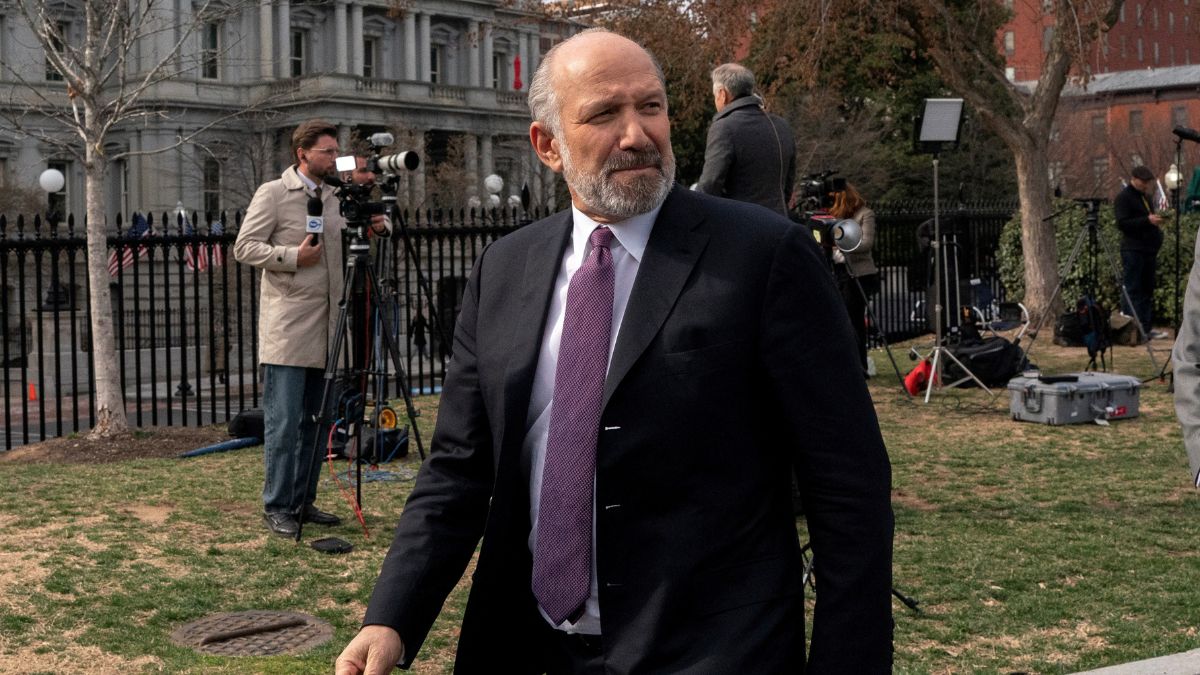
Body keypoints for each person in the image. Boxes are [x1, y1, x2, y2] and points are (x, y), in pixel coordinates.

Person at [336, 29, 893, 674]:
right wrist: (391, 617)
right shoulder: (505, 269)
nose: (637, 134)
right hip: (526, 645)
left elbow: (848, 483)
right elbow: (458, 470)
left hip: (710, 650)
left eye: (650, 107)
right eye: (604, 114)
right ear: (547, 145)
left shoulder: (764, 256)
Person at [233, 120, 386, 537]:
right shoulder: (275, 193)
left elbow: (354, 235)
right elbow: (244, 247)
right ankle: (278, 505)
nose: (334, 158)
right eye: (327, 151)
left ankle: (304, 501)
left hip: (331, 328)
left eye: (336, 151)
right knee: (284, 423)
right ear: (303, 154)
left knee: (318, 423)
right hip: (289, 328)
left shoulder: (337, 197)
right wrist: (291, 256)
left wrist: (376, 224)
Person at [695, 62, 797, 217]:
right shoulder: (782, 125)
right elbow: (788, 186)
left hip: (740, 226)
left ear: (723, 94)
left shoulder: (724, 127)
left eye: (715, 95)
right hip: (779, 224)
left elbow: (711, 184)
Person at [828, 183, 879, 375]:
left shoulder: (865, 214)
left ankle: (860, 363)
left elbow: (866, 243)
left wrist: (843, 245)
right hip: (839, 272)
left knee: (854, 318)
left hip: (859, 273)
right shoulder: (835, 217)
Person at [1114, 165, 1168, 340]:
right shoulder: (1124, 198)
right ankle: (1131, 329)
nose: (1145, 185)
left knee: (1146, 288)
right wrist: (1146, 220)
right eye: (1143, 182)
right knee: (1132, 288)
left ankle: (1145, 327)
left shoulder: (1146, 197)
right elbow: (1123, 223)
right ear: (1134, 179)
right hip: (1133, 249)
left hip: (1148, 249)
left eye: (1147, 182)